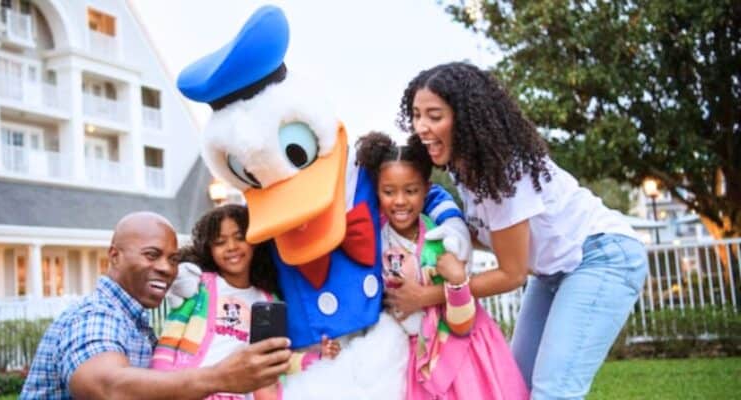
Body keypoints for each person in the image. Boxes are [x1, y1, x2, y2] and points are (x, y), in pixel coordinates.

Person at [388, 62, 649, 399]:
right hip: (553, 271)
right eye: (416, 115)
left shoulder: (505, 173)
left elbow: (512, 273)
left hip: (602, 257)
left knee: (555, 391)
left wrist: (427, 296)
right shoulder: (464, 169)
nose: (422, 127)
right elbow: (488, 234)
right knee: (515, 385)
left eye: (434, 116)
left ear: (464, 120)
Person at [20, 212, 292, 400]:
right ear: (114, 256)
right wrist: (219, 377)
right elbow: (107, 388)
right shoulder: (96, 315)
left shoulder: (136, 324)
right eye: (152, 255)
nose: (166, 268)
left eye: (173, 259)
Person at [356, 132, 528, 400]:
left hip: (461, 354)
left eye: (411, 191)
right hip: (407, 359)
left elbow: (462, 324)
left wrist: (457, 282)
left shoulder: (442, 243)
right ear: (377, 192)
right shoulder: (374, 245)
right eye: (389, 192)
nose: (400, 201)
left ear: (426, 190)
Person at [151, 205, 340, 400]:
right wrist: (163, 387)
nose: (231, 247)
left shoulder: (267, 300)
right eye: (220, 242)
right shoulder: (198, 286)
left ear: (255, 242)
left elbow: (272, 359)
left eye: (240, 237)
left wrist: (317, 357)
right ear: (209, 249)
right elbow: (169, 339)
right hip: (191, 391)